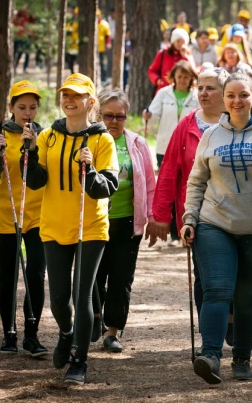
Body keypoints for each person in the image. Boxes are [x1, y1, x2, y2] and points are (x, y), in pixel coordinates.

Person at [181, 70, 252, 384]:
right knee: (216, 290)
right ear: (224, 98)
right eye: (231, 95)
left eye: (243, 95)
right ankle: (210, 356)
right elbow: (196, 182)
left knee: (246, 296)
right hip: (214, 224)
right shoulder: (211, 136)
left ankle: (242, 358)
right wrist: (189, 218)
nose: (237, 101)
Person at [21, 73, 119, 385]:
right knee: (60, 298)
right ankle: (66, 333)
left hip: (89, 226)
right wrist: (30, 153)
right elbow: (36, 180)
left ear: (91, 102)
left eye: (77, 95)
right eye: (66, 94)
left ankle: (79, 360)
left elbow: (108, 186)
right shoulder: (49, 135)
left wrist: (89, 170)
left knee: (81, 295)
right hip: (53, 224)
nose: (69, 100)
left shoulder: (102, 140)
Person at [147, 67, 229, 331]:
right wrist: (161, 216)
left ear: (225, 92)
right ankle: (210, 332)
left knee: (234, 276)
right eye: (200, 88)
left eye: (210, 88)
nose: (203, 93)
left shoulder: (238, 123)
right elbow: (170, 170)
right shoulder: (188, 125)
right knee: (205, 277)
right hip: (198, 215)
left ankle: (230, 320)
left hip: (237, 213)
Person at [0, 80, 47, 356]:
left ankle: (32, 336)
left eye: (32, 107)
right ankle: (9, 334)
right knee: (7, 277)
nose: (27, 112)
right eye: (21, 107)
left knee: (35, 276)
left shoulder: (45, 136)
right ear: (11, 108)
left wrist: (32, 148)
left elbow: (42, 178)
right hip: (6, 215)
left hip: (39, 215)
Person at [92, 89, 157, 352]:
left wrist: (151, 217)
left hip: (128, 223)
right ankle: (94, 319)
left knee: (121, 278)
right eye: (108, 116)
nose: (114, 121)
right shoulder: (88, 141)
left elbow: (150, 185)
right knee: (94, 276)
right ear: (98, 115)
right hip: (94, 222)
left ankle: (112, 331)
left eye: (121, 116)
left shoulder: (138, 143)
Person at [143, 60, 199, 246]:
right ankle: (175, 235)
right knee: (172, 190)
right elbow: (153, 114)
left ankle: (188, 229)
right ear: (173, 76)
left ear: (192, 78)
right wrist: (148, 117)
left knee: (188, 189)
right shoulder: (163, 93)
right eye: (180, 76)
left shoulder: (197, 96)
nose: (183, 80)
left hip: (191, 149)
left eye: (186, 76)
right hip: (165, 147)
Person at [148, 28, 195, 95]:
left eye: (183, 42)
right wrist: (157, 80)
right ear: (173, 41)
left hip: (182, 91)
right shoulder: (163, 53)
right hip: (163, 91)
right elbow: (152, 70)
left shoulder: (187, 54)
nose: (180, 44)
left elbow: (193, 71)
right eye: (178, 41)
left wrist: (185, 56)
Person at [13, 5, 34, 75]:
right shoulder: (19, 14)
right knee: (19, 53)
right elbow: (15, 23)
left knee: (27, 53)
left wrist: (32, 34)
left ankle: (25, 68)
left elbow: (34, 26)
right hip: (20, 36)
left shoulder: (31, 16)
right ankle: (15, 67)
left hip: (28, 37)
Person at [96, 9, 112, 85]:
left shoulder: (104, 24)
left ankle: (104, 79)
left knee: (102, 63)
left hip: (101, 48)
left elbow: (107, 36)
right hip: (94, 49)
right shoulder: (94, 24)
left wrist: (108, 44)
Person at [65, 7, 79, 73]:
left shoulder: (80, 23)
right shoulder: (70, 22)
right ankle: (72, 73)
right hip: (71, 44)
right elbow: (67, 29)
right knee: (71, 61)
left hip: (78, 45)